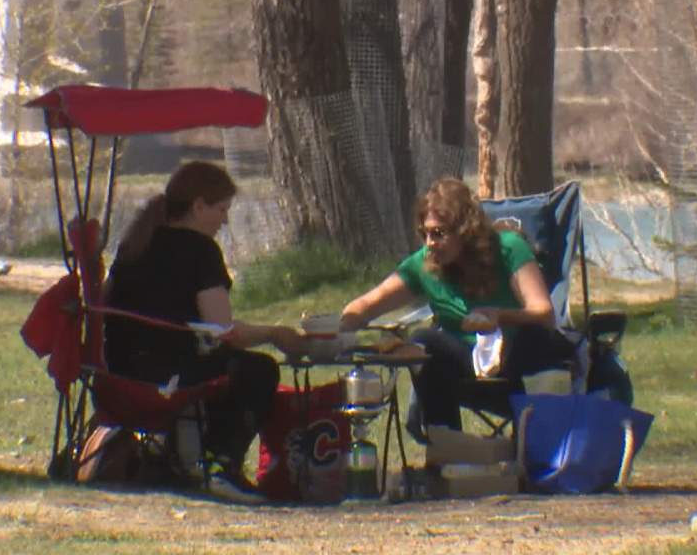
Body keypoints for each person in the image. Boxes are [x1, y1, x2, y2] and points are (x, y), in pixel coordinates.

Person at [104, 160, 305, 503]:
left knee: (218, 364)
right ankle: (220, 464)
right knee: (256, 369)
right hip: (168, 375)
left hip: (117, 372)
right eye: (222, 209)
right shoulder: (200, 251)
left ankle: (184, 457)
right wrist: (275, 333)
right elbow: (223, 332)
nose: (225, 221)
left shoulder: (134, 244)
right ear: (198, 206)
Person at [339, 177, 575, 441]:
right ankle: (448, 451)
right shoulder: (424, 265)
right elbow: (368, 304)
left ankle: (542, 447)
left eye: (438, 233)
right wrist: (331, 330)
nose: (429, 242)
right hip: (467, 373)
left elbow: (544, 313)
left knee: (534, 336)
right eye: (424, 233)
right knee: (423, 341)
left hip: (519, 373)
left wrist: (499, 316)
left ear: (465, 231)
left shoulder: (508, 248)